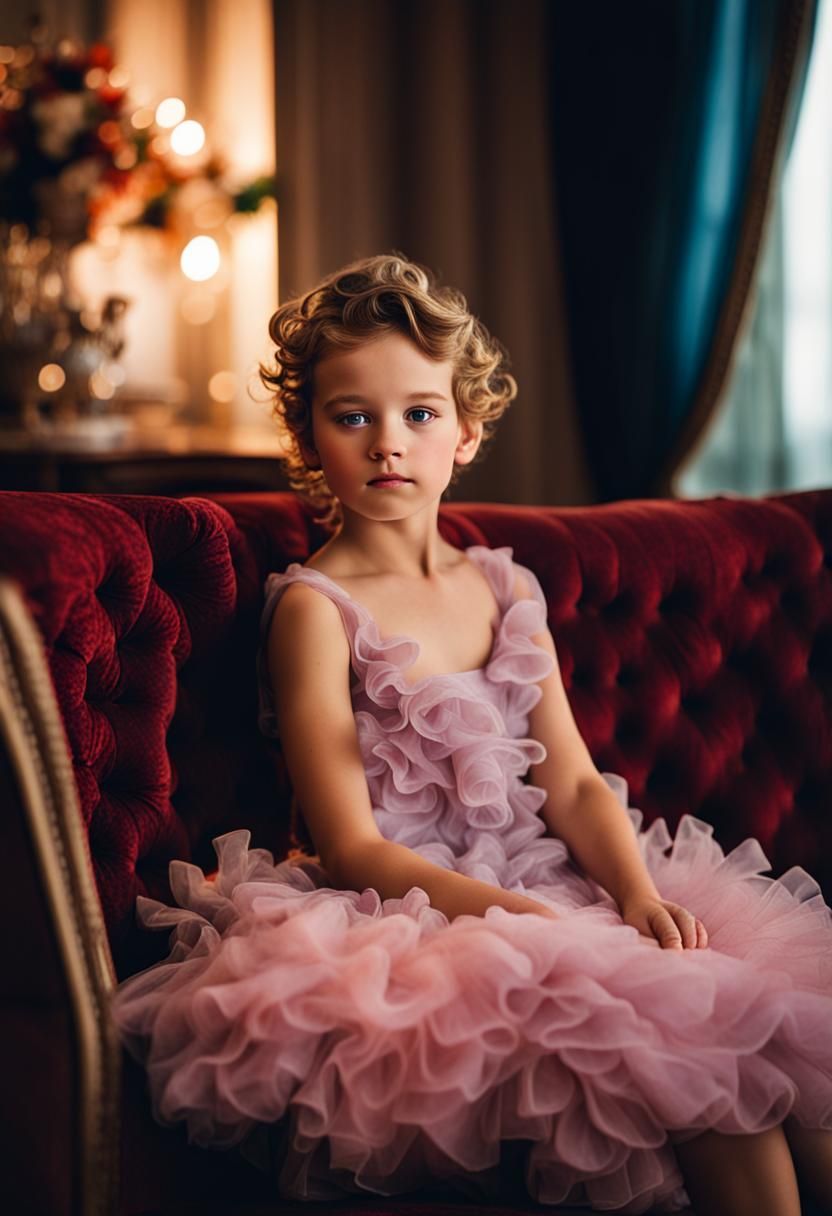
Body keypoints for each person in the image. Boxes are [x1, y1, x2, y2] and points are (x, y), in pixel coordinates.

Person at [112, 253, 832, 1215]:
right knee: (710, 1078)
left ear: (466, 432)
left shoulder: (503, 586)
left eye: (418, 413)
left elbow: (573, 784)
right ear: (308, 435)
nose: (386, 445)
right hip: (410, 908)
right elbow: (349, 842)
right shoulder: (317, 612)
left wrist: (634, 893)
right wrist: (522, 921)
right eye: (351, 415)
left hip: (548, 875)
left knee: (784, 1048)